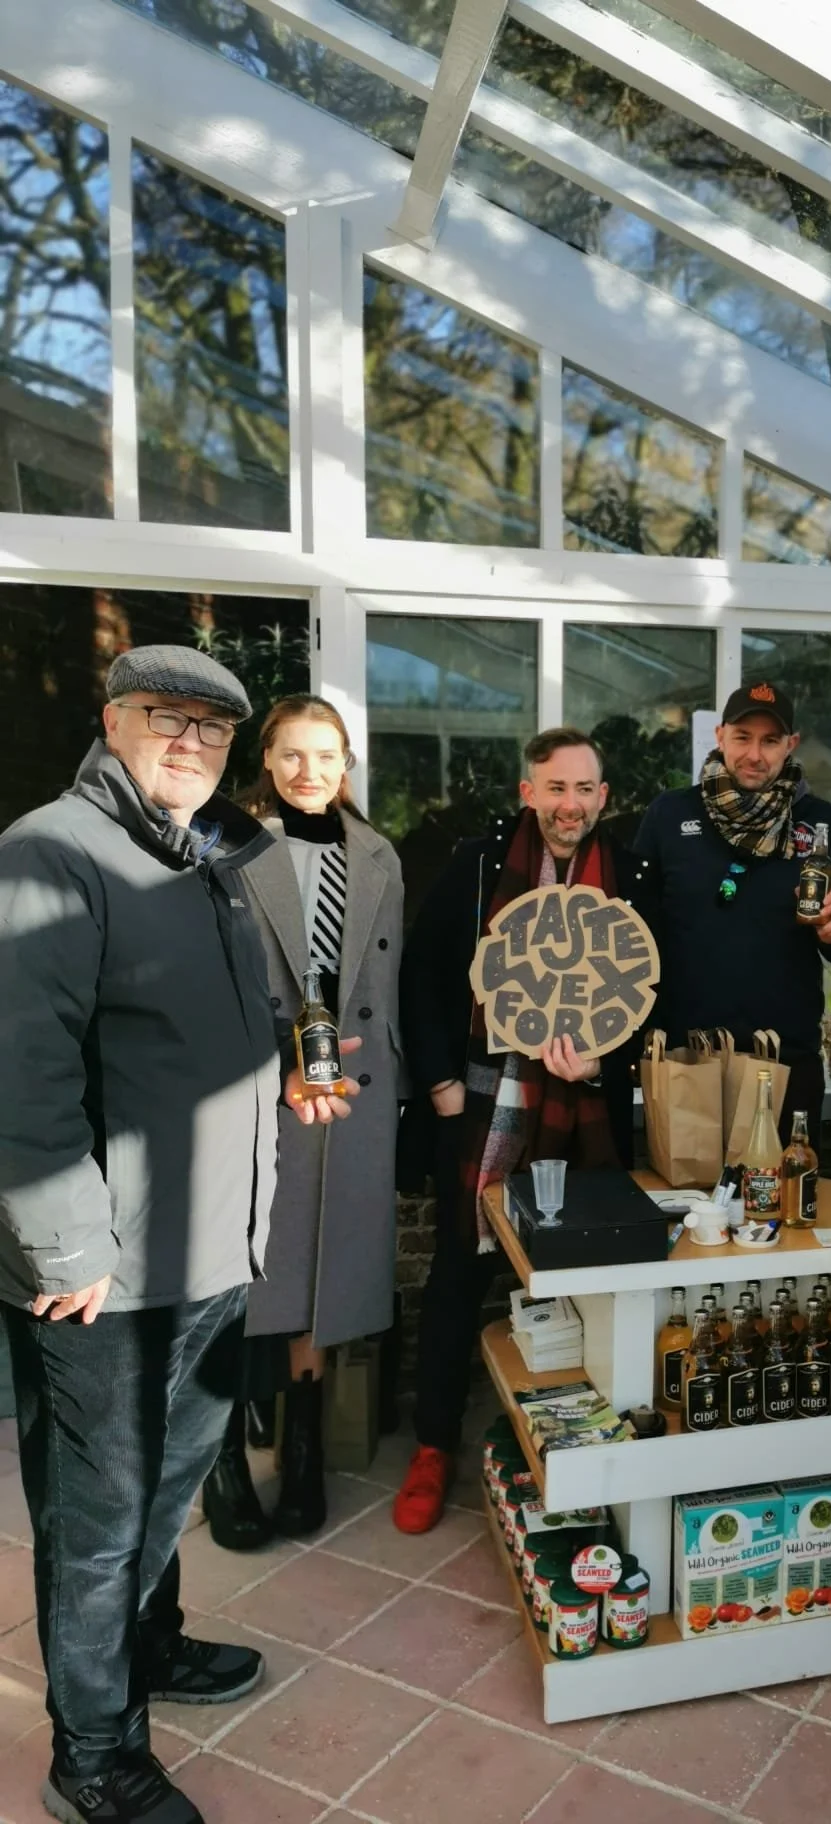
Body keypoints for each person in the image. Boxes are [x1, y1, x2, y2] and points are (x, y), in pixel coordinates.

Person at [0, 646, 357, 1824]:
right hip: (103, 1274)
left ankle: (149, 1651)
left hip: (211, 1245)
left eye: (212, 728)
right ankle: (93, 1754)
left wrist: (286, 1089)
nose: (191, 743)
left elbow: (219, 1031)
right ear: (112, 720)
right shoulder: (51, 850)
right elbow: (22, 1069)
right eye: (168, 719)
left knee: (166, 1492)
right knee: (98, 1523)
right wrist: (66, 1253)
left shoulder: (203, 857)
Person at [394, 727, 653, 1534]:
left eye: (585, 790)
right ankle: (433, 1446)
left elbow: (653, 991)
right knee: (459, 1274)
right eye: (555, 788)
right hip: (485, 1100)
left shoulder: (634, 875)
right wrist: (438, 1080)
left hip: (585, 1110)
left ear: (603, 799)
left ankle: (573, 1450)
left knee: (585, 1278)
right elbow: (424, 970)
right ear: (528, 793)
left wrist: (606, 1068)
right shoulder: (478, 866)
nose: (570, 805)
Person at [201, 696, 404, 1550]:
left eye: (326, 756)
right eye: (292, 756)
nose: (309, 772)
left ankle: (305, 1452)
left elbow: (386, 985)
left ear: (346, 762)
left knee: (323, 1273)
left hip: (349, 1088)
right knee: (242, 1275)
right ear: (268, 760)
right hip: (256, 1087)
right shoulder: (225, 844)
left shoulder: (377, 852)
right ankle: (221, 1466)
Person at [633, 681, 831, 1136]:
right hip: (689, 1058)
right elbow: (636, 928)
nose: (755, 754)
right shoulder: (668, 815)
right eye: (743, 738)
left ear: (791, 745)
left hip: (785, 1059)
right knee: (690, 1205)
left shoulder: (821, 825)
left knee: (786, 1201)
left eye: (770, 740)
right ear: (720, 736)